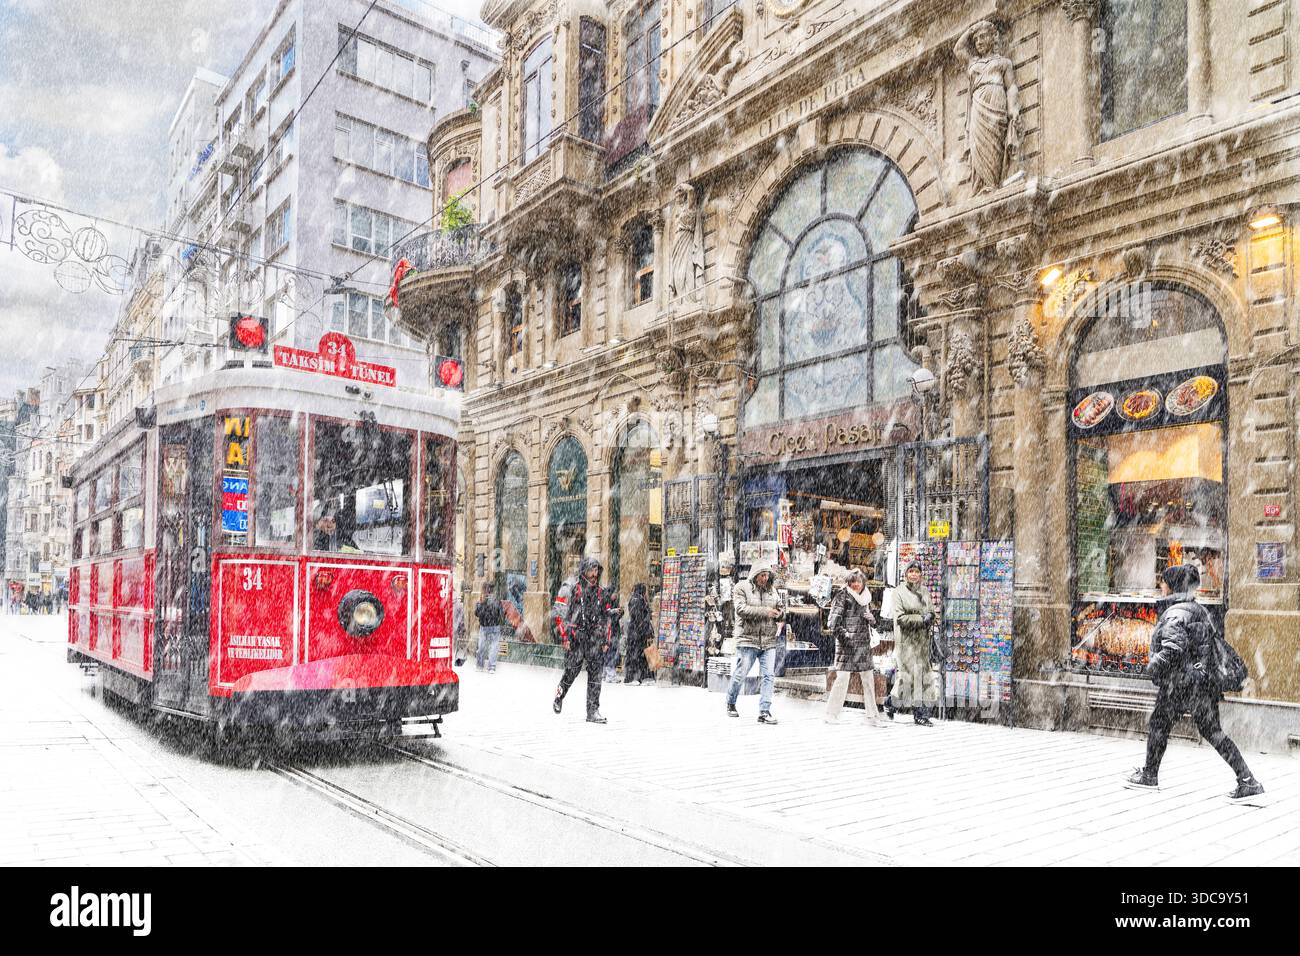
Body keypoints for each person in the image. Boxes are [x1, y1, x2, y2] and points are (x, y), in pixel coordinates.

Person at [1126, 565, 1265, 802]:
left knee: (1159, 724)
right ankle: (1247, 779)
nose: (1160, 586)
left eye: (1163, 582)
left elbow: (1173, 649)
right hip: (1201, 684)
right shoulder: (1197, 609)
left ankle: (1149, 775)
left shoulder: (1175, 613)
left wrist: (1150, 666)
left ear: (1171, 586)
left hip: (1179, 683)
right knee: (1212, 731)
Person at [552, 557, 622, 723]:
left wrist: (606, 640)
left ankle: (593, 711)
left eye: (597, 570)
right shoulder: (571, 588)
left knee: (596, 676)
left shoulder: (601, 592)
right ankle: (559, 697)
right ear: (583, 571)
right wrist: (565, 637)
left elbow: (606, 618)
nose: (594, 574)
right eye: (591, 570)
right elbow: (559, 615)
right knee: (571, 672)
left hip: (595, 640)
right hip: (576, 638)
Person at [825, 569, 886, 726]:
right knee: (842, 679)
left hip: (863, 644)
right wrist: (847, 637)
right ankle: (831, 714)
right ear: (848, 583)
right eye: (853, 581)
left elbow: (873, 622)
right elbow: (833, 623)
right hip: (847, 646)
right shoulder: (842, 595)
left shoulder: (866, 597)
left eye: (859, 581)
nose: (856, 584)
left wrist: (873, 620)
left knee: (868, 679)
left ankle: (873, 716)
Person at [726, 563, 785, 724]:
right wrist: (766, 611)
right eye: (762, 575)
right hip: (747, 638)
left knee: (768, 676)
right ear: (755, 575)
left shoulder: (772, 590)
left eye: (767, 575)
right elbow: (741, 609)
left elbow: (780, 608)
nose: (764, 579)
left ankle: (764, 711)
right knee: (741, 673)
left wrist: (780, 614)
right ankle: (730, 702)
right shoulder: (741, 588)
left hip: (768, 640)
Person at [889, 562, 938, 726]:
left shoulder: (924, 591)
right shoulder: (898, 592)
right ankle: (896, 705)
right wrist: (920, 619)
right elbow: (900, 618)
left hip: (922, 641)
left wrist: (931, 617)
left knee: (922, 677)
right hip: (906, 641)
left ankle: (917, 713)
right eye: (911, 571)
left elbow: (931, 611)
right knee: (908, 677)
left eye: (917, 572)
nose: (914, 575)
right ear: (906, 574)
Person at [624, 583, 655, 684]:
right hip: (637, 633)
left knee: (637, 655)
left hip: (636, 632)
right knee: (637, 655)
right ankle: (635, 677)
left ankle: (635, 677)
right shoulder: (638, 600)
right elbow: (638, 616)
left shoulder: (637, 598)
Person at [473, 583, 504, 673]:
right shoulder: (497, 600)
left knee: (481, 646)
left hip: (485, 626)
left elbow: (477, 613)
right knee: (493, 647)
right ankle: (491, 667)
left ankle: (480, 665)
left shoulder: (481, 601)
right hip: (494, 627)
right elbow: (501, 615)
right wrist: (497, 621)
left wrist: (481, 605)